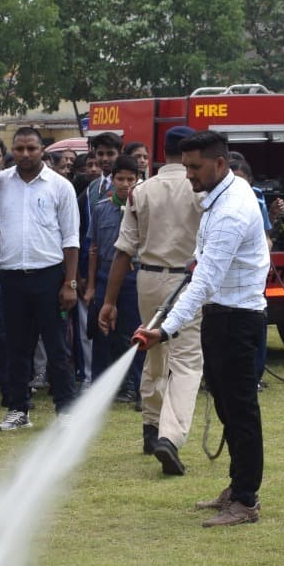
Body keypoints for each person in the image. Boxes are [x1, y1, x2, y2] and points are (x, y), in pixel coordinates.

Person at [134, 131, 270, 527]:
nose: (188, 174)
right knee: (228, 407)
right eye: (186, 164)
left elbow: (206, 280)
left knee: (241, 411)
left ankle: (245, 500)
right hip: (221, 315)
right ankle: (237, 486)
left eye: (194, 167)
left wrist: (164, 329)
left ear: (220, 164)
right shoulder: (219, 197)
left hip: (238, 319)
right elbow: (203, 263)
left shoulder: (230, 208)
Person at [98, 125, 203, 474]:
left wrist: (109, 301)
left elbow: (122, 251)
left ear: (162, 151)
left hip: (147, 277)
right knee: (186, 361)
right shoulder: (200, 188)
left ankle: (151, 425)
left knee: (152, 351)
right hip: (187, 280)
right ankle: (169, 438)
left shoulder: (140, 191)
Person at [0, 127, 80, 431]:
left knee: (57, 346)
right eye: (19, 149)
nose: (25, 154)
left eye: (31, 148)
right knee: (15, 347)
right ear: (11, 151)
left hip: (50, 275)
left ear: (43, 149)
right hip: (12, 275)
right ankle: (18, 409)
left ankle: (65, 411)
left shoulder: (60, 186)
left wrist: (70, 283)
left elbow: (71, 238)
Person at [86, 153, 143, 404]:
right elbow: (94, 248)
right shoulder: (100, 208)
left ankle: (138, 387)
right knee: (103, 332)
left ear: (138, 179)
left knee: (134, 331)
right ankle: (102, 388)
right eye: (120, 178)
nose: (125, 184)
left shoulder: (144, 208)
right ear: (112, 179)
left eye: (131, 179)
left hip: (133, 276)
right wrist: (89, 285)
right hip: (105, 274)